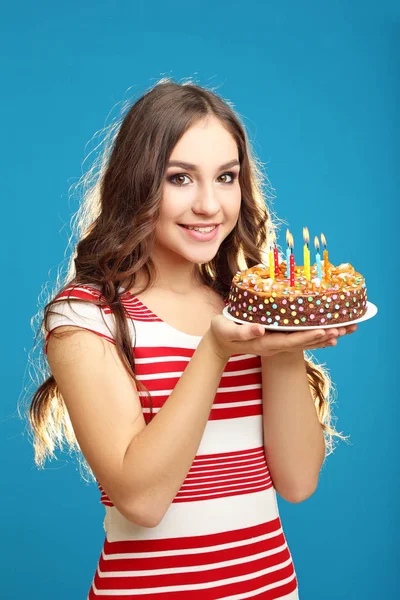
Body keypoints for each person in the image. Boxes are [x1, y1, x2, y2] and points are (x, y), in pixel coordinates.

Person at [28, 79, 357, 599]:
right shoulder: (87, 316)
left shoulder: (248, 304)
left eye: (226, 177)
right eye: (180, 178)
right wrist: (215, 351)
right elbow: (142, 501)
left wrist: (286, 343)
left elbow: (297, 482)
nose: (209, 204)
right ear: (136, 184)